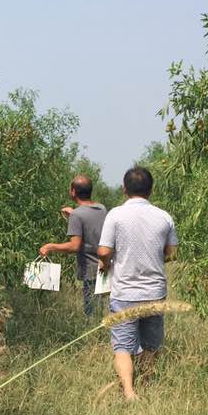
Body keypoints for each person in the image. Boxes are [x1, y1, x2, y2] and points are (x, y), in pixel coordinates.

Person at [97, 166, 178, 402]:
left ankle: (130, 392)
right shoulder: (164, 217)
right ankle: (146, 384)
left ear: (124, 189)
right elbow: (171, 253)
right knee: (150, 344)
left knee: (122, 346)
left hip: (125, 292)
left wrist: (106, 263)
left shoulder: (115, 215)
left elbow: (103, 250)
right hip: (155, 291)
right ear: (151, 190)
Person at [38, 174, 107, 319]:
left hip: (90, 269)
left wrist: (50, 247)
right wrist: (74, 214)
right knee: (101, 308)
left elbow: (74, 246)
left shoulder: (77, 215)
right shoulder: (101, 208)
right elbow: (91, 225)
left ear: (73, 191)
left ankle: (94, 339)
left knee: (92, 313)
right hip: (104, 267)